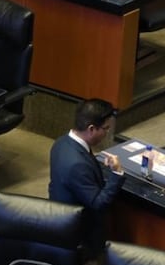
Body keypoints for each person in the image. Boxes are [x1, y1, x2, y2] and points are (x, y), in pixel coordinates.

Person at [48, 98, 124, 252]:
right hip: (80, 234)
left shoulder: (61, 142)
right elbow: (98, 204)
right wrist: (117, 173)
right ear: (91, 129)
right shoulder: (78, 165)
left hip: (59, 216)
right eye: (105, 128)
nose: (107, 132)